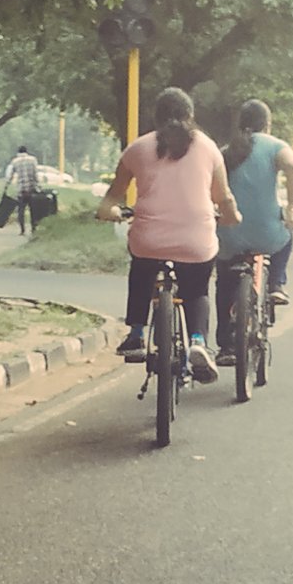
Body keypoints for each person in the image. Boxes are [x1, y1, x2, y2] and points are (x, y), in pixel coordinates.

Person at [96, 87, 241, 384]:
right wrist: (230, 217)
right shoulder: (209, 147)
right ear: (190, 115)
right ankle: (198, 341)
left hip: (149, 240)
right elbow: (222, 197)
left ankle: (136, 332)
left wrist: (109, 213)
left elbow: (110, 200)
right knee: (197, 290)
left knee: (141, 271)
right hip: (195, 241)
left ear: (155, 116)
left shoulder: (137, 148)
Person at [215, 99, 293, 366]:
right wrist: (290, 206)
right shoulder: (275, 145)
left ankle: (227, 344)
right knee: (287, 237)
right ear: (268, 123)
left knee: (224, 282)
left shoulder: (225, 151)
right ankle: (276, 283)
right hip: (266, 231)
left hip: (229, 231)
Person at [5, 146, 39, 235]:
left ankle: (22, 230)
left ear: (18, 152)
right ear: (26, 152)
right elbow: (35, 174)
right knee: (33, 210)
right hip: (32, 188)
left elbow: (10, 176)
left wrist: (6, 186)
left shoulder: (15, 161)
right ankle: (33, 228)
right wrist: (38, 186)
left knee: (21, 210)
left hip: (21, 190)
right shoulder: (33, 160)